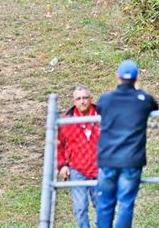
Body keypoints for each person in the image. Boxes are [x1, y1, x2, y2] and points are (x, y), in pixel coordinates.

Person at [96, 60, 159, 228]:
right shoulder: (143, 99)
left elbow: (99, 109)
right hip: (131, 160)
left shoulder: (106, 99)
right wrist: (137, 90)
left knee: (104, 203)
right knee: (126, 203)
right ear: (137, 77)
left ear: (117, 77)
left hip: (108, 158)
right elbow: (154, 105)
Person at [58, 86, 99, 228]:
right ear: (74, 101)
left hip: (100, 169)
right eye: (79, 99)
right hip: (77, 169)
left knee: (102, 208)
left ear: (91, 99)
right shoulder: (67, 121)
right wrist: (62, 165)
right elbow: (59, 145)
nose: (82, 102)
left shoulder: (103, 116)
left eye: (85, 98)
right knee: (80, 208)